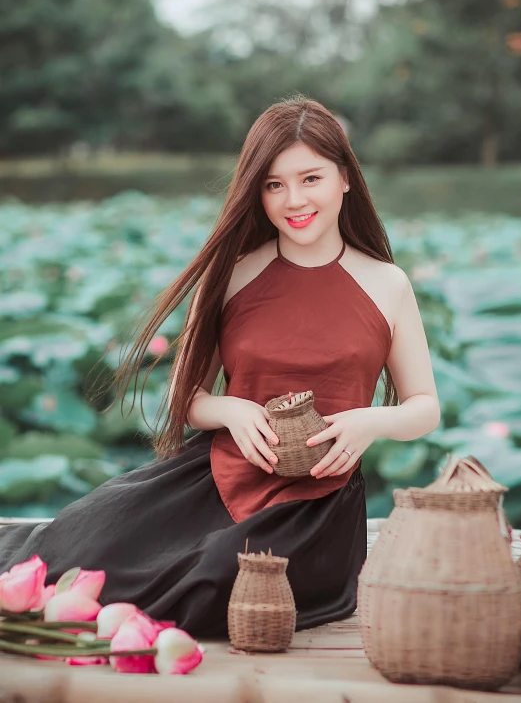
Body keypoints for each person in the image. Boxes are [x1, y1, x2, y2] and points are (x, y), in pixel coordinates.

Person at [0, 95, 440, 639]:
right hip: (215, 474)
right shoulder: (231, 275)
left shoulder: (387, 284)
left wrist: (371, 421)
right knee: (74, 548)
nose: (293, 199)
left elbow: (425, 407)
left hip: (317, 502)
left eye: (310, 178)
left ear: (345, 178)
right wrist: (230, 409)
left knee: (211, 583)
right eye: (274, 184)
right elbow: (186, 397)